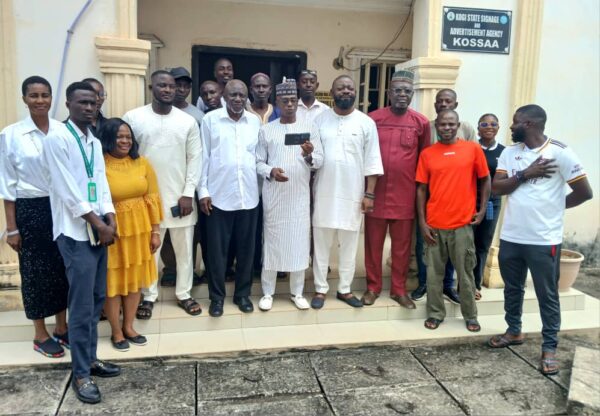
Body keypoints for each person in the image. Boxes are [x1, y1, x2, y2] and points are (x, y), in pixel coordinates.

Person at [488, 104, 592, 376]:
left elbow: (584, 192)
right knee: (512, 289)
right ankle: (514, 331)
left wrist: (555, 207)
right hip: (511, 236)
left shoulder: (560, 152)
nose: (511, 126)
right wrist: (525, 174)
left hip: (544, 239)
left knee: (547, 294)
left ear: (530, 124)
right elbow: (496, 188)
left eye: (516, 122)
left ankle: (549, 348)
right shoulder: (510, 153)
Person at [43, 81, 120, 404]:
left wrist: (110, 217)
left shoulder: (93, 140)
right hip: (75, 233)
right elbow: (66, 189)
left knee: (97, 297)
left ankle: (90, 359)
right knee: (81, 304)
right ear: (68, 103)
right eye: (83, 102)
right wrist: (98, 223)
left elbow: (100, 182)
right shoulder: (57, 137)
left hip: (98, 230)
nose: (89, 108)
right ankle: (80, 374)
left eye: (93, 102)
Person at [123, 70, 202, 318]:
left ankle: (184, 293)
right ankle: (149, 296)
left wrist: (188, 192)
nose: (167, 90)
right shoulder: (134, 118)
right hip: (146, 199)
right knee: (150, 252)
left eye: (171, 86)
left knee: (184, 251)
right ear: (151, 87)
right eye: (162, 85)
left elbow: (195, 158)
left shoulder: (187, 121)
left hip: (180, 199)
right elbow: (127, 156)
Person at [0, 76, 69, 358]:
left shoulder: (63, 130)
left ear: (52, 98)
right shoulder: (11, 134)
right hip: (29, 209)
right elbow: (7, 184)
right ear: (24, 99)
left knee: (62, 268)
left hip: (61, 207)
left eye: (45, 95)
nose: (40, 100)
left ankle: (62, 327)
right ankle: (40, 334)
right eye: (34, 95)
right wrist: (12, 228)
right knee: (34, 272)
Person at [311, 75, 383, 309]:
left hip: (353, 194)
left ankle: (344, 289)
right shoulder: (319, 120)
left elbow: (372, 160)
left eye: (350, 88)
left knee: (349, 245)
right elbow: (313, 158)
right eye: (340, 88)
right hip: (323, 193)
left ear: (355, 92)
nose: (345, 91)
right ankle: (320, 288)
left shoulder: (366, 123)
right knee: (321, 244)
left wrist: (369, 194)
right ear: (332, 92)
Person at [416, 109, 490, 332]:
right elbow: (421, 189)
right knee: (433, 274)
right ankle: (435, 313)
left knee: (465, 274)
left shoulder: (472, 149)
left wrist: (482, 210)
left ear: (458, 126)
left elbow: (485, 179)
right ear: (436, 126)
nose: (447, 128)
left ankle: (470, 315)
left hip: (462, 225)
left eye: (451, 124)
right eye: (442, 124)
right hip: (434, 225)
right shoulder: (427, 154)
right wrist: (422, 222)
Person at [363, 70, 430, 309]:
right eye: (398, 90)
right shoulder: (373, 119)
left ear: (412, 94)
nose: (402, 95)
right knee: (373, 244)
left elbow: (424, 160)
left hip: (405, 194)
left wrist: (422, 195)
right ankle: (373, 287)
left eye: (407, 91)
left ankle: (398, 289)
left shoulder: (421, 122)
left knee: (402, 247)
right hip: (376, 192)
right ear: (389, 93)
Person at [255, 79, 323, 311]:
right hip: (275, 198)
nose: (290, 104)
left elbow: (319, 161)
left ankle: (297, 292)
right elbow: (258, 162)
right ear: (277, 102)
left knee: (299, 244)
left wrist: (308, 155)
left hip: (299, 198)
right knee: (272, 243)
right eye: (285, 101)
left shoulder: (309, 128)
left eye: (293, 100)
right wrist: (271, 171)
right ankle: (268, 293)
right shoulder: (267, 130)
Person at [98, 118, 163, 352]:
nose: (125, 141)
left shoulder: (142, 163)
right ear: (108, 138)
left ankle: (129, 326)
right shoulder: (99, 165)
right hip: (112, 232)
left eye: (128, 137)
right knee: (113, 282)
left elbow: (152, 197)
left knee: (135, 281)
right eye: (119, 136)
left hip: (139, 230)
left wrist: (155, 232)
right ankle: (116, 331)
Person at [199, 79, 261, 317]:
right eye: (233, 95)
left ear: (247, 98)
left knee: (246, 250)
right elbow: (203, 157)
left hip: (248, 197)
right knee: (217, 253)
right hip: (218, 197)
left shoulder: (254, 121)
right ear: (224, 96)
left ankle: (242, 295)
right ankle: (216, 298)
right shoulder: (210, 120)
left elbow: (258, 157)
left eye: (242, 95)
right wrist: (203, 191)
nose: (238, 99)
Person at [412, 88, 478, 304]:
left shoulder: (466, 128)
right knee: (426, 242)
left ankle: (448, 286)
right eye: (439, 101)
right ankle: (424, 282)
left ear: (455, 105)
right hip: (430, 194)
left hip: (457, 198)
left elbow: (475, 163)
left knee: (453, 246)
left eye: (448, 101)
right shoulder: (427, 127)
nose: (443, 104)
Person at [158, 67, 205, 288]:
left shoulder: (196, 116)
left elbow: (199, 154)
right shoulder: (149, 115)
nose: (181, 89)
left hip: (188, 184)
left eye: (186, 86)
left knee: (188, 234)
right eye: (178, 85)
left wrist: (193, 189)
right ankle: (169, 270)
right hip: (160, 185)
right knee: (163, 233)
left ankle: (187, 276)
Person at [472, 114, 505, 300]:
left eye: (493, 124)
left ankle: (475, 284)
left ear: (498, 127)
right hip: (469, 202)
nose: (489, 127)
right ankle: (462, 282)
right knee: (466, 243)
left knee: (483, 244)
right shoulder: (471, 147)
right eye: (484, 124)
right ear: (478, 128)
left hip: (492, 203)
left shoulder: (504, 152)